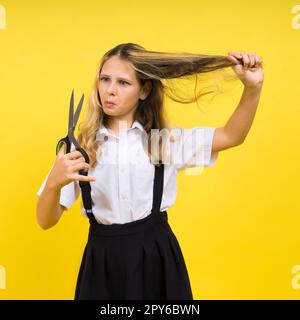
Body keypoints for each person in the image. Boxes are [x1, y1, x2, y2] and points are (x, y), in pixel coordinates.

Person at [36, 43, 264, 300]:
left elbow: (231, 135)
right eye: (105, 79)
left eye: (123, 83)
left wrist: (252, 89)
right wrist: (54, 183)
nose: (110, 90)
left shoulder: (164, 141)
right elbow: (45, 221)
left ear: (144, 91)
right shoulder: (80, 147)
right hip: (103, 264)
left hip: (157, 258)